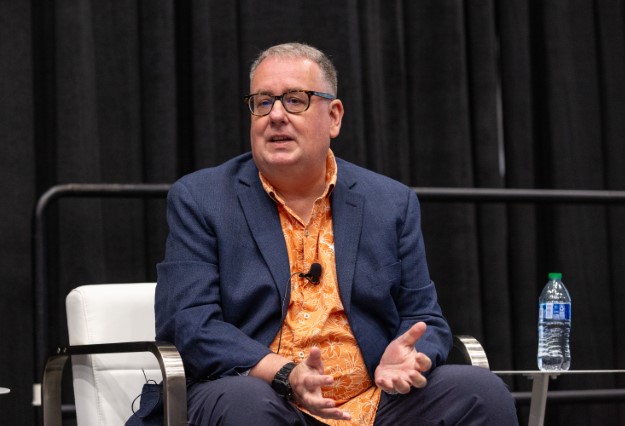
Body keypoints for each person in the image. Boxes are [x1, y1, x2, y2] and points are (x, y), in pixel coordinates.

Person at [150, 42, 518, 425]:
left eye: (295, 100)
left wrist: (411, 354)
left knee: (481, 392)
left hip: (374, 402)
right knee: (246, 403)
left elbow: (423, 315)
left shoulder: (390, 202)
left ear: (334, 117)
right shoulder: (202, 198)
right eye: (263, 102)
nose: (276, 115)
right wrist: (283, 372)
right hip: (259, 394)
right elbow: (188, 322)